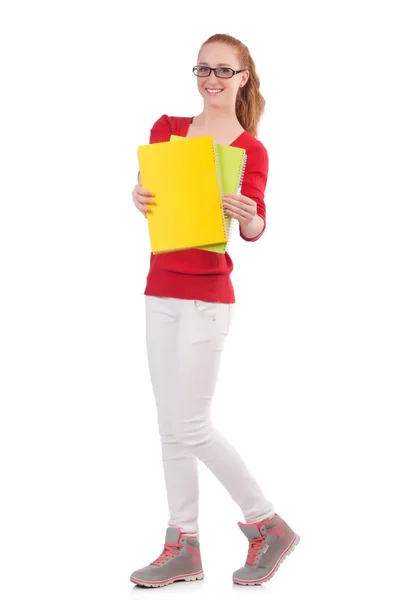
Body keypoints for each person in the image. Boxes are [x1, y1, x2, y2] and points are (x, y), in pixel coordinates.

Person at [129, 33, 300, 588]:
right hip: (161, 291)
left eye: (223, 71)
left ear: (243, 78)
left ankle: (266, 523)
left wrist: (248, 213)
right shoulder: (169, 130)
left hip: (207, 298)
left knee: (191, 425)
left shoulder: (250, 151)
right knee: (169, 427)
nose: (211, 79)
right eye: (203, 68)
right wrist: (140, 195)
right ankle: (184, 543)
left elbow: (254, 229)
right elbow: (155, 196)